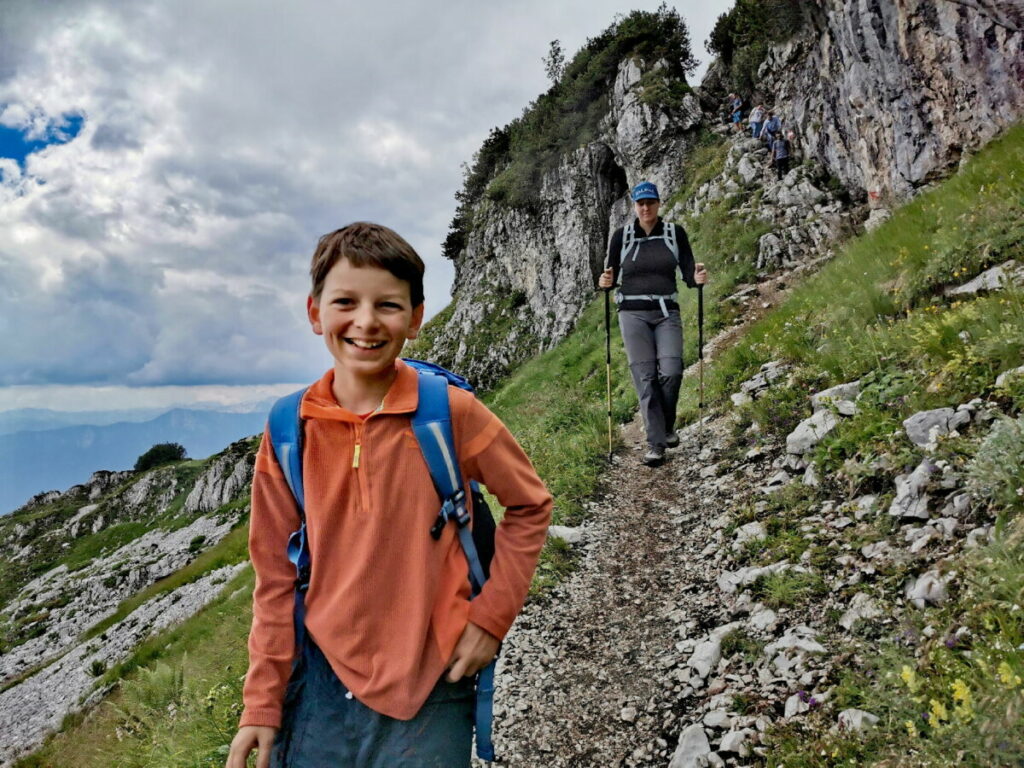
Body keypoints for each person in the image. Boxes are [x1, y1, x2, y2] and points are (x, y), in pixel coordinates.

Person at [226, 222, 553, 768]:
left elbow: (530, 504)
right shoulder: (288, 428)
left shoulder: (450, 412)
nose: (366, 322)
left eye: (388, 305)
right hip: (319, 682)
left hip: (433, 679)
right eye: (345, 302)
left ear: (416, 318)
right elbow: (274, 575)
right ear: (315, 313)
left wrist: (490, 621)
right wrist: (261, 703)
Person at [598, 182, 709, 467]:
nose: (645, 208)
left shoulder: (674, 234)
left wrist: (697, 279)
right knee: (645, 377)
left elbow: (687, 274)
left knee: (671, 371)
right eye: (640, 203)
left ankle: (667, 426)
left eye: (650, 202)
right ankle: (656, 443)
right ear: (634, 207)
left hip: (665, 311)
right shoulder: (622, 237)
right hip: (632, 314)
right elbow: (608, 276)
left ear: (659, 204)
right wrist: (604, 283)